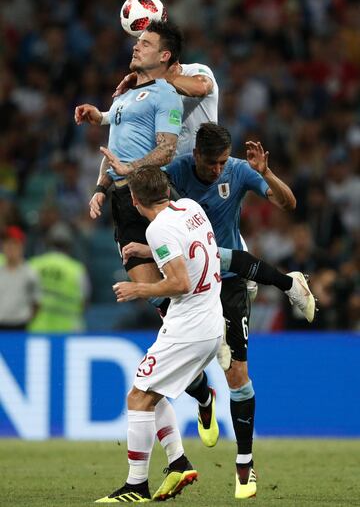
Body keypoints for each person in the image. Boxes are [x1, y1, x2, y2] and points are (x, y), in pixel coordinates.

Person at [106, 123, 315, 500]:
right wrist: (108, 191)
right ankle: (203, 399)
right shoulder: (176, 177)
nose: (218, 170)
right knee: (177, 368)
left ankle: (245, 464)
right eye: (210, 163)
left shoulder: (239, 170)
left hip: (225, 278)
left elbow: (288, 204)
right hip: (192, 272)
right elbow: (147, 192)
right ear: (195, 155)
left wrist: (266, 173)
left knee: (236, 374)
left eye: (222, 162)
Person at [95, 165, 224, 503]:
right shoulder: (190, 208)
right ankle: (178, 462)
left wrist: (138, 289)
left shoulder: (158, 230)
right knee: (153, 392)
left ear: (135, 200)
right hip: (210, 320)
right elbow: (190, 250)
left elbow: (181, 282)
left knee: (137, 398)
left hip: (189, 327)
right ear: (167, 189)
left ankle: (136, 486)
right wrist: (144, 250)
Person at [74, 20, 184, 286]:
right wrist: (101, 188)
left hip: (154, 196)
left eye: (146, 43)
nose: (136, 47)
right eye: (138, 42)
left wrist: (131, 168)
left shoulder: (166, 95)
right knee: (150, 289)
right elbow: (114, 151)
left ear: (164, 55)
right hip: (124, 199)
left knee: (179, 283)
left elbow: (167, 150)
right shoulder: (123, 96)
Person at [28, 222, 90, 333]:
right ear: (69, 245)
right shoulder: (77, 269)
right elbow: (84, 301)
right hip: (68, 330)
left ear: (47, 243)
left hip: (36, 329)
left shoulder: (34, 264)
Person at [0, 226, 41, 330]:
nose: (10, 248)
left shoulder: (30, 273)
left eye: (14, 244)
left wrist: (28, 320)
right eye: (6, 243)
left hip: (20, 325)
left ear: (21, 246)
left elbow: (36, 302)